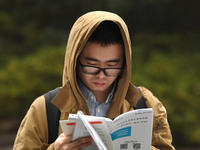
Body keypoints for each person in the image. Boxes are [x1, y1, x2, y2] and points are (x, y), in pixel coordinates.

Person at [13, 11, 175, 150]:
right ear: (74, 61)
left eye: (112, 66)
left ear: (125, 64)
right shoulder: (46, 109)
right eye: (92, 65)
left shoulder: (145, 104)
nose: (101, 75)